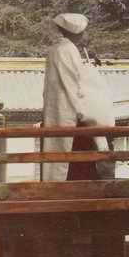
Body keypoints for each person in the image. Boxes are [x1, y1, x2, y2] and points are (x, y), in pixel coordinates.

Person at [41, 12, 115, 180]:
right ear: (79, 33)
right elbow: (78, 85)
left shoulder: (55, 50)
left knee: (56, 161)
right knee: (76, 165)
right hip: (72, 115)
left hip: (56, 112)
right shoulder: (69, 50)